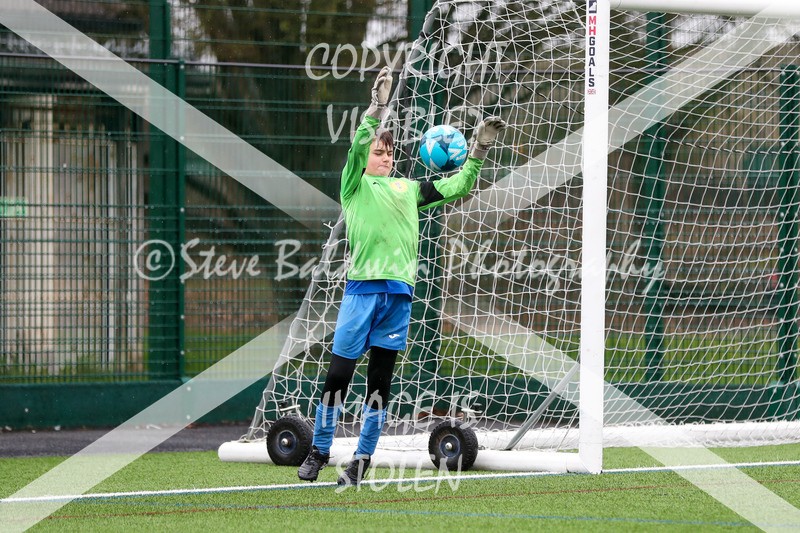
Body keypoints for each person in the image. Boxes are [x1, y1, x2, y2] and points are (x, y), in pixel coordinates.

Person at [298, 66, 506, 486]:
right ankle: (319, 450)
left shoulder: (408, 190)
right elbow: (359, 144)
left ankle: (361, 461)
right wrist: (376, 109)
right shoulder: (354, 187)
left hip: (398, 296)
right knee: (339, 376)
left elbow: (458, 186)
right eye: (380, 152)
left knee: (379, 382)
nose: (386, 156)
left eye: (390, 153)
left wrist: (480, 150)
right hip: (361, 293)